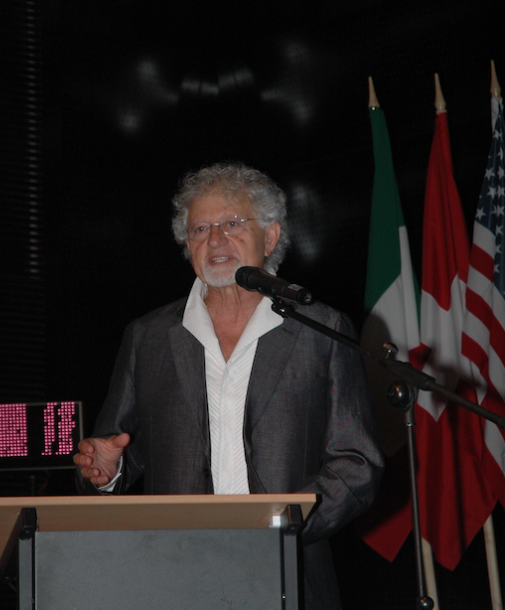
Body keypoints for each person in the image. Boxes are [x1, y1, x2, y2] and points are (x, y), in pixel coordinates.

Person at [74, 161, 383, 609]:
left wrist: (280, 526)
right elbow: (119, 453)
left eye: (233, 223)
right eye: (200, 229)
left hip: (288, 574)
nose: (215, 239)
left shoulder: (321, 330)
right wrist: (106, 474)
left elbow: (357, 464)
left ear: (270, 237)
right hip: (175, 579)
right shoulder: (149, 337)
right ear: (188, 246)